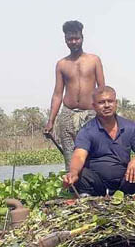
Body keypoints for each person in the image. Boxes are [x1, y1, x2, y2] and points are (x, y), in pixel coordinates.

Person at [62, 86, 135, 198]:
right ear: (94, 106)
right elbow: (79, 156)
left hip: (126, 180)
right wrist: (73, 172)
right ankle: (87, 204)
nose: (107, 105)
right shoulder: (87, 130)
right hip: (97, 184)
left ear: (116, 103)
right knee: (81, 174)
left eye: (110, 101)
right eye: (101, 102)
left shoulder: (129, 126)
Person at [44, 20, 106, 170]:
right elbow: (58, 94)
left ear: (82, 37)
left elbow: (102, 90)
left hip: (90, 113)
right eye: (69, 39)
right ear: (65, 40)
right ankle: (73, 188)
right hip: (68, 112)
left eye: (76, 38)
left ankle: (92, 187)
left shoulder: (94, 60)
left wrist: (104, 115)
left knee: (92, 152)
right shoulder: (62, 64)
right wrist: (51, 121)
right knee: (69, 153)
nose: (73, 42)